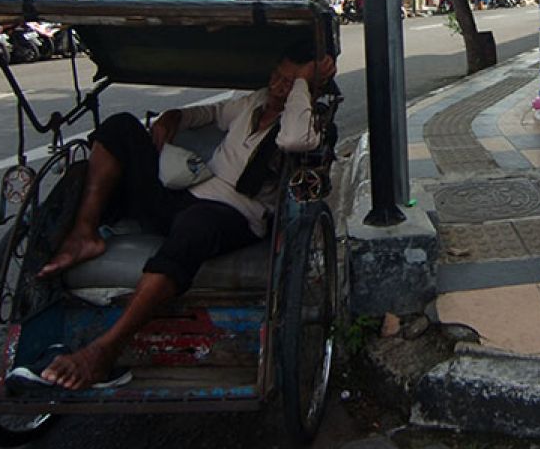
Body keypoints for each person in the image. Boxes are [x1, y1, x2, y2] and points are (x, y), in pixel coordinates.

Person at [24, 54, 336, 391]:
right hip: (188, 196)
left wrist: (304, 86)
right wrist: (173, 117)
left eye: (289, 82)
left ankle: (103, 350)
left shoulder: (310, 119)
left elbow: (293, 140)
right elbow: (212, 113)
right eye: (277, 76)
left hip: (233, 215)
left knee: (195, 226)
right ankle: (84, 233)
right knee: (121, 128)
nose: (277, 87)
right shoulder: (255, 101)